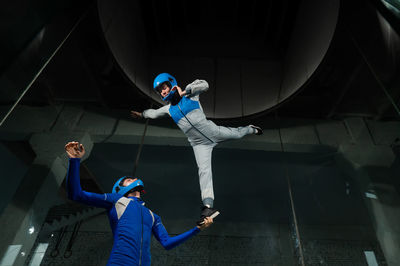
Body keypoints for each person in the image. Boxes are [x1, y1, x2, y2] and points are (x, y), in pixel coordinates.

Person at [130, 73, 263, 224]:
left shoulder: (190, 96)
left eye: (164, 87)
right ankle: (208, 207)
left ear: (171, 83)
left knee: (237, 134)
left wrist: (186, 91)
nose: (163, 92)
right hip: (199, 144)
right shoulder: (168, 109)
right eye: (160, 91)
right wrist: (142, 114)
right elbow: (153, 114)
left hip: (213, 132)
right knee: (204, 171)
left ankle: (251, 129)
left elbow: (205, 84)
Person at [64, 141, 213, 266]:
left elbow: (167, 243)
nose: (133, 179)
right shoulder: (115, 199)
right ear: (119, 188)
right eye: (128, 179)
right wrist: (74, 160)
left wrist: (197, 229)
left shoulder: (153, 216)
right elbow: (76, 194)